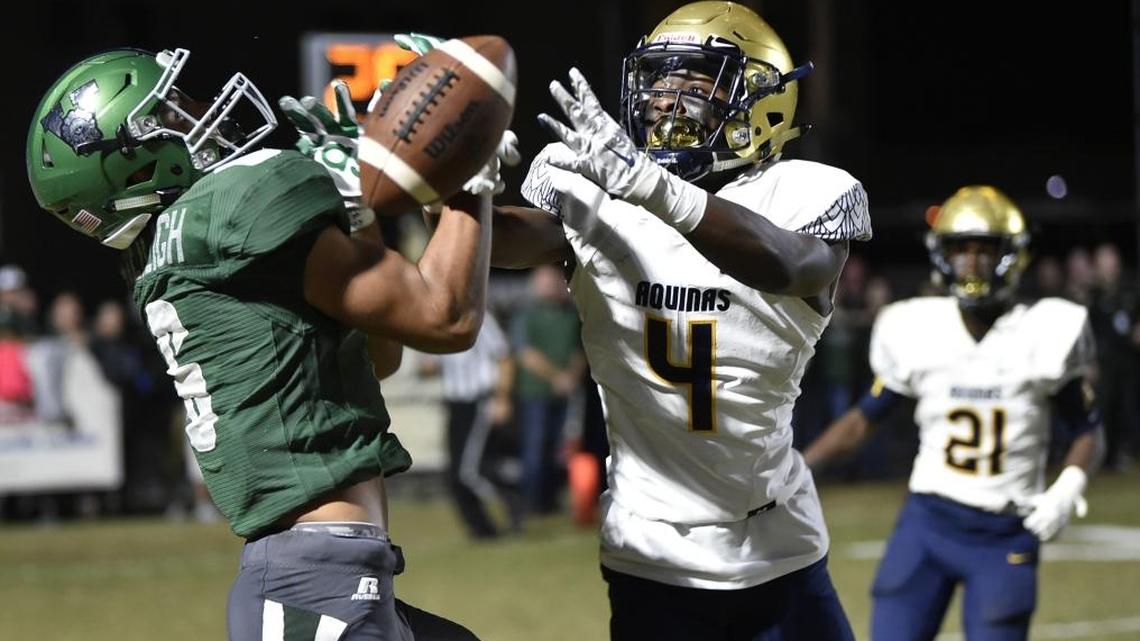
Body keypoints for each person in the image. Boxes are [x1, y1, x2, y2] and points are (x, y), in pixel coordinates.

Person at [398, 2, 871, 637]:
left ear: (763, 101)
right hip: (652, 549)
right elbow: (504, 243)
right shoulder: (599, 185)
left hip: (778, 543)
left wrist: (656, 188)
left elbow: (796, 265)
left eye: (695, 83)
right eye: (658, 83)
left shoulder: (803, 192)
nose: (666, 101)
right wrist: (459, 182)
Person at [27, 46, 509, 640]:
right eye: (171, 113)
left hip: (324, 573)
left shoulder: (183, 241)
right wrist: (466, 171)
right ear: (137, 162)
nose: (198, 114)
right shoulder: (232, 204)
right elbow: (447, 318)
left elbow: (381, 353)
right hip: (311, 588)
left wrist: (360, 212)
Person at [803, 185, 1106, 641]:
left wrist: (1069, 486)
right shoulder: (919, 327)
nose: (972, 261)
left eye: (985, 249)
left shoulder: (1046, 330)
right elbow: (864, 418)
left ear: (1012, 254)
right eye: (961, 249)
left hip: (1005, 528)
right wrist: (800, 466)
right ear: (941, 255)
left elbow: (1089, 430)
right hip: (928, 522)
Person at [417, 307, 521, 539]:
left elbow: (504, 356)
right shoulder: (437, 321)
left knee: (468, 472)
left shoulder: (480, 317)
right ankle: (482, 530)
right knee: (455, 474)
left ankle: (514, 504)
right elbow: (429, 367)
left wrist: (502, 397)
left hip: (479, 401)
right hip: (455, 404)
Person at [512, 264, 586, 516]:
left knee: (561, 450)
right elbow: (525, 354)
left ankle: (553, 500)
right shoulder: (528, 315)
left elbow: (580, 348)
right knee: (534, 449)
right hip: (536, 392)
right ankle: (531, 502)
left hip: (566, 393)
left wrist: (571, 377)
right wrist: (556, 377)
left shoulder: (571, 314)